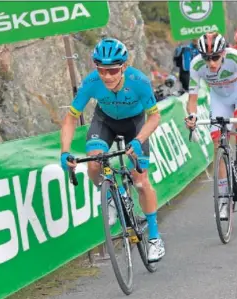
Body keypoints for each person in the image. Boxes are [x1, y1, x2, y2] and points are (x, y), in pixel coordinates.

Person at [60, 38, 166, 262]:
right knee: (93, 164)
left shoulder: (139, 81)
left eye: (113, 70)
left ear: (124, 67)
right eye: (101, 70)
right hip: (105, 122)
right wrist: (64, 151)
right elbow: (71, 117)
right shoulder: (91, 82)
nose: (107, 76)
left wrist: (138, 140)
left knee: (140, 180)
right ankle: (110, 195)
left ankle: (155, 238)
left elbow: (154, 116)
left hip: (135, 124)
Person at [185, 32, 237, 218]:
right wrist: (192, 116)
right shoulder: (196, 65)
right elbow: (192, 98)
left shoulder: (235, 57)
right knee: (218, 145)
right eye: (206, 58)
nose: (211, 63)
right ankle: (224, 199)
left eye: (215, 58)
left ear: (223, 53)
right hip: (219, 100)